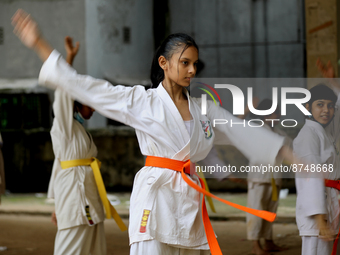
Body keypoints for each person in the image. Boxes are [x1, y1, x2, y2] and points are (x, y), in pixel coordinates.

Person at [12, 10, 296, 255]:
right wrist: (39, 43)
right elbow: (87, 87)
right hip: (155, 199)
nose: (192, 70)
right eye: (185, 62)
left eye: (195, 64)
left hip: (189, 200)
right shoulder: (142, 101)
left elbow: (242, 131)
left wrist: (290, 156)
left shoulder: (204, 110)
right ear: (164, 63)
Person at [46, 36, 107, 255]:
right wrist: (69, 58)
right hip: (76, 200)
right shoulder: (63, 125)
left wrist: (55, 203)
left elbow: (59, 165)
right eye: (90, 103)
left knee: (94, 250)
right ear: (77, 101)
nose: (94, 108)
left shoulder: (76, 130)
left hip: (88, 200)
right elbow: (63, 91)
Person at [293, 58, 340, 255]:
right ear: (307, 107)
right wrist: (320, 218)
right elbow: (309, 178)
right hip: (317, 213)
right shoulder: (308, 135)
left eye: (330, 106)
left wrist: (333, 82)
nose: (326, 110)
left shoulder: (326, 131)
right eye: (320, 105)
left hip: (330, 203)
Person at [245, 99, 291, 255]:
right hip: (259, 178)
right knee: (256, 211)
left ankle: (269, 241)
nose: (276, 116)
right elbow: (236, 126)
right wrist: (247, 110)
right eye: (273, 113)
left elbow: (292, 150)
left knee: (270, 211)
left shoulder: (280, 133)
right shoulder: (255, 128)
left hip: (274, 178)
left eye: (277, 112)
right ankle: (255, 245)